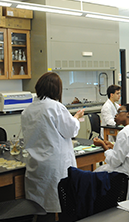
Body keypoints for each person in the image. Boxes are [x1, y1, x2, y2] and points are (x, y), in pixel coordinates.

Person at [21, 72, 85, 219]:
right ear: (56, 90)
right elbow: (70, 131)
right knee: (61, 205)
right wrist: (75, 118)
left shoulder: (28, 110)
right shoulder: (56, 107)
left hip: (36, 165)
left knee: (41, 208)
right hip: (55, 165)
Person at [94, 103, 129, 176]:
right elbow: (127, 151)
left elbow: (114, 162)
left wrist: (104, 146)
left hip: (123, 173)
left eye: (119, 112)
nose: (115, 115)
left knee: (94, 175)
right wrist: (114, 147)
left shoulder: (124, 133)